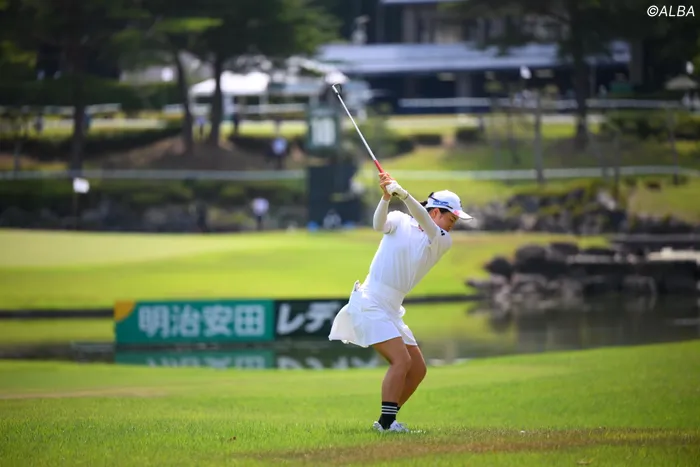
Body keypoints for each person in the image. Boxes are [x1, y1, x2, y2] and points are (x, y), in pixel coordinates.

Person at [328, 172, 473, 433]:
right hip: (370, 300)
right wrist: (386, 198)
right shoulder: (400, 219)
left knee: (417, 370)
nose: (453, 225)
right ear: (436, 211)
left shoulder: (441, 239)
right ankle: (386, 425)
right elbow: (378, 225)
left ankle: (387, 421)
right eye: (451, 218)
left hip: (392, 309)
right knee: (401, 361)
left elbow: (425, 222)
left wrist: (403, 194)